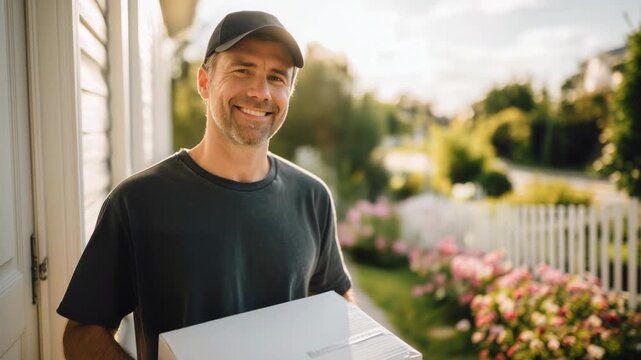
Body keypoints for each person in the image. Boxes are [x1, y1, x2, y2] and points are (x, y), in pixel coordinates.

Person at [57, 10, 354, 360]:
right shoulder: (138, 201)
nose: (260, 92)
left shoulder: (312, 197)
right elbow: (82, 333)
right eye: (242, 70)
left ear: (289, 92)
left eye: (276, 78)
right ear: (204, 82)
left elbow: (338, 302)